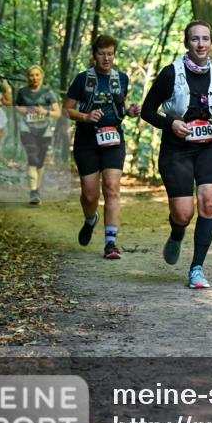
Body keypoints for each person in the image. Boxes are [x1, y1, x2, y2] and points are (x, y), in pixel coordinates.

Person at [141, 20, 212, 289]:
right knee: (183, 214)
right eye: (195, 39)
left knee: (209, 203)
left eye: (205, 38)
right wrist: (170, 123)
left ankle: (197, 268)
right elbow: (147, 111)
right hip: (177, 150)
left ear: (211, 43)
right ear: (186, 43)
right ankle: (177, 232)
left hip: (210, 148)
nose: (201, 44)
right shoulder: (170, 74)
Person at [63, 35, 140, 259]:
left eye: (110, 54)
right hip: (87, 140)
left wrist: (131, 111)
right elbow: (66, 109)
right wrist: (86, 116)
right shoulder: (82, 79)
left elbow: (121, 107)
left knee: (112, 187)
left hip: (113, 139)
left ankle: (111, 243)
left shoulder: (122, 79)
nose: (106, 58)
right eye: (102, 53)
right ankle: (90, 219)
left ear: (115, 55)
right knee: (90, 195)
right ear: (94, 55)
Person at [15, 65, 61, 205]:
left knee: (40, 161)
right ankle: (33, 191)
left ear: (41, 76)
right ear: (28, 77)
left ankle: (36, 189)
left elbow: (57, 113)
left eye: (36, 75)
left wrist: (45, 112)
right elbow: (17, 106)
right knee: (32, 157)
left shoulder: (48, 92)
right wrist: (23, 110)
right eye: (31, 75)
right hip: (27, 129)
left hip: (44, 130)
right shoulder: (22, 92)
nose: (34, 78)